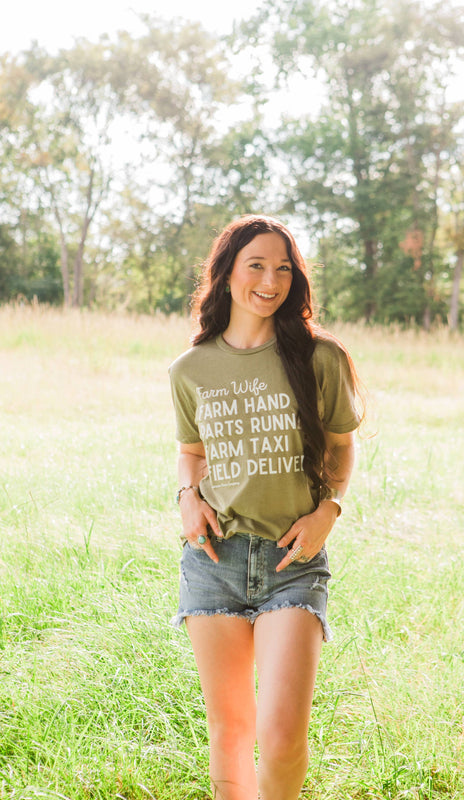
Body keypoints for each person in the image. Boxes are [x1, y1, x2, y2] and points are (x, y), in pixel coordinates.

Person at [168, 215, 364, 800]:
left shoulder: (319, 357)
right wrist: (186, 498)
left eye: (284, 267)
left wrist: (329, 508)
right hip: (214, 561)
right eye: (256, 264)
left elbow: (340, 446)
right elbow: (191, 453)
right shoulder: (190, 368)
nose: (270, 279)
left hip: (291, 563)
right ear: (227, 273)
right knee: (230, 733)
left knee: (280, 736)